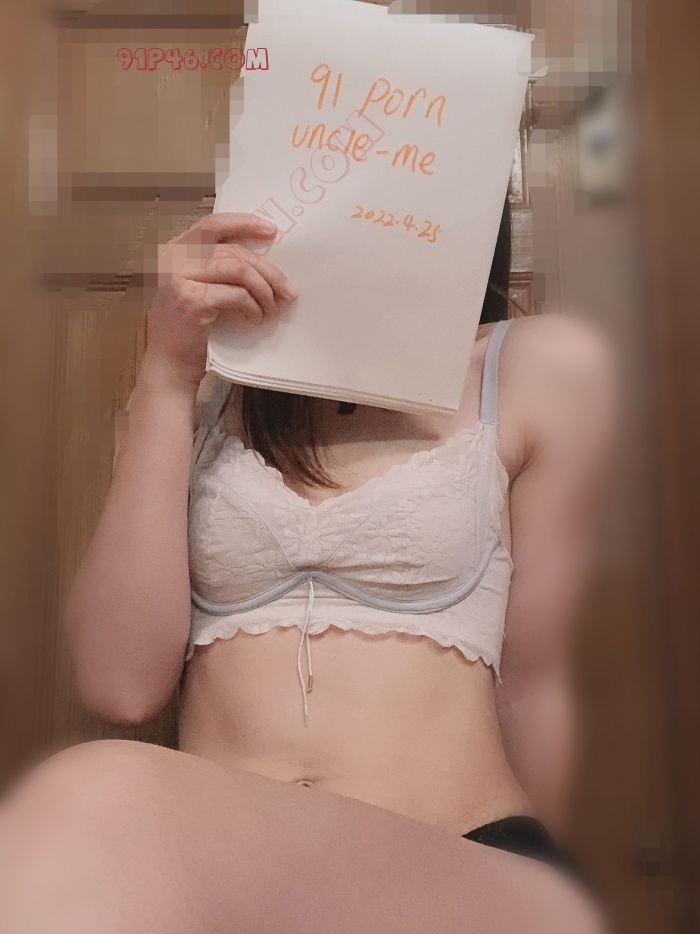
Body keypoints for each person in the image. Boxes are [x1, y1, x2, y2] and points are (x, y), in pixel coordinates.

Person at [0, 200, 615, 934]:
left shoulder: (536, 364)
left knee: (97, 791)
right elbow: (120, 687)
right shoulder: (203, 385)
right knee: (97, 803)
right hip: (235, 879)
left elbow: (536, 680)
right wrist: (165, 376)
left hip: (457, 856)